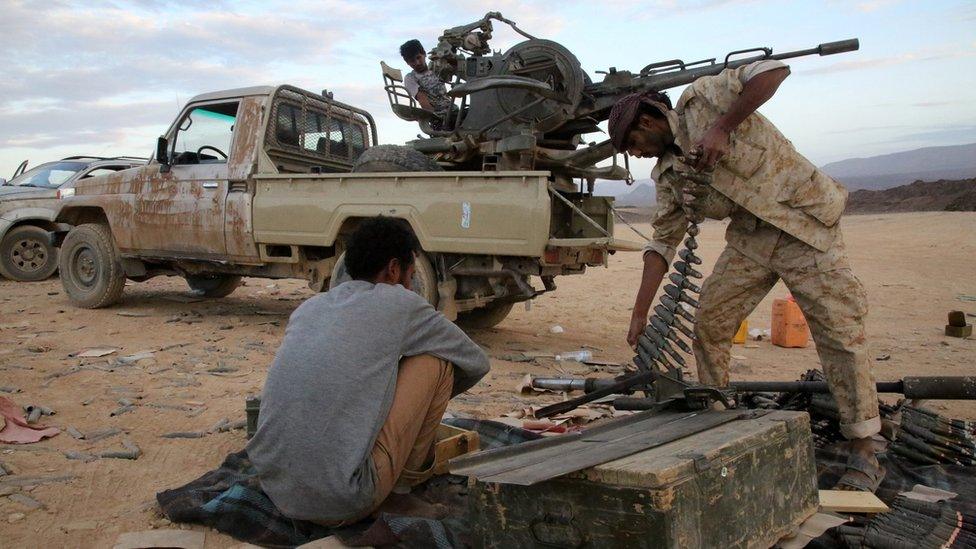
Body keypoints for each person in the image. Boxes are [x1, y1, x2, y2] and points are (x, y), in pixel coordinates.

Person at [608, 59, 884, 491]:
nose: (636, 154)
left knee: (840, 333)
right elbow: (662, 243)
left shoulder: (705, 98)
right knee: (710, 323)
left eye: (634, 143)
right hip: (752, 241)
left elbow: (773, 71)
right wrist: (639, 313)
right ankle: (717, 421)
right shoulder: (667, 175)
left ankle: (864, 447)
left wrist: (723, 126)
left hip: (806, 226)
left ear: (649, 120)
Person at [246, 216, 490, 524]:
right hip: (345, 498)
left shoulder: (310, 308)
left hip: (278, 489)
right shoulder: (401, 303)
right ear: (393, 269)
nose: (409, 284)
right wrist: (414, 404)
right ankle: (400, 494)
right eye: (410, 275)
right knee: (438, 363)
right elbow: (475, 362)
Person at [399, 39, 455, 129]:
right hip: (441, 118)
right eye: (412, 61)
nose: (417, 63)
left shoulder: (436, 68)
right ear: (407, 63)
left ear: (424, 54)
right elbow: (422, 99)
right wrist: (435, 119)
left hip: (453, 109)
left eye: (418, 57)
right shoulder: (411, 78)